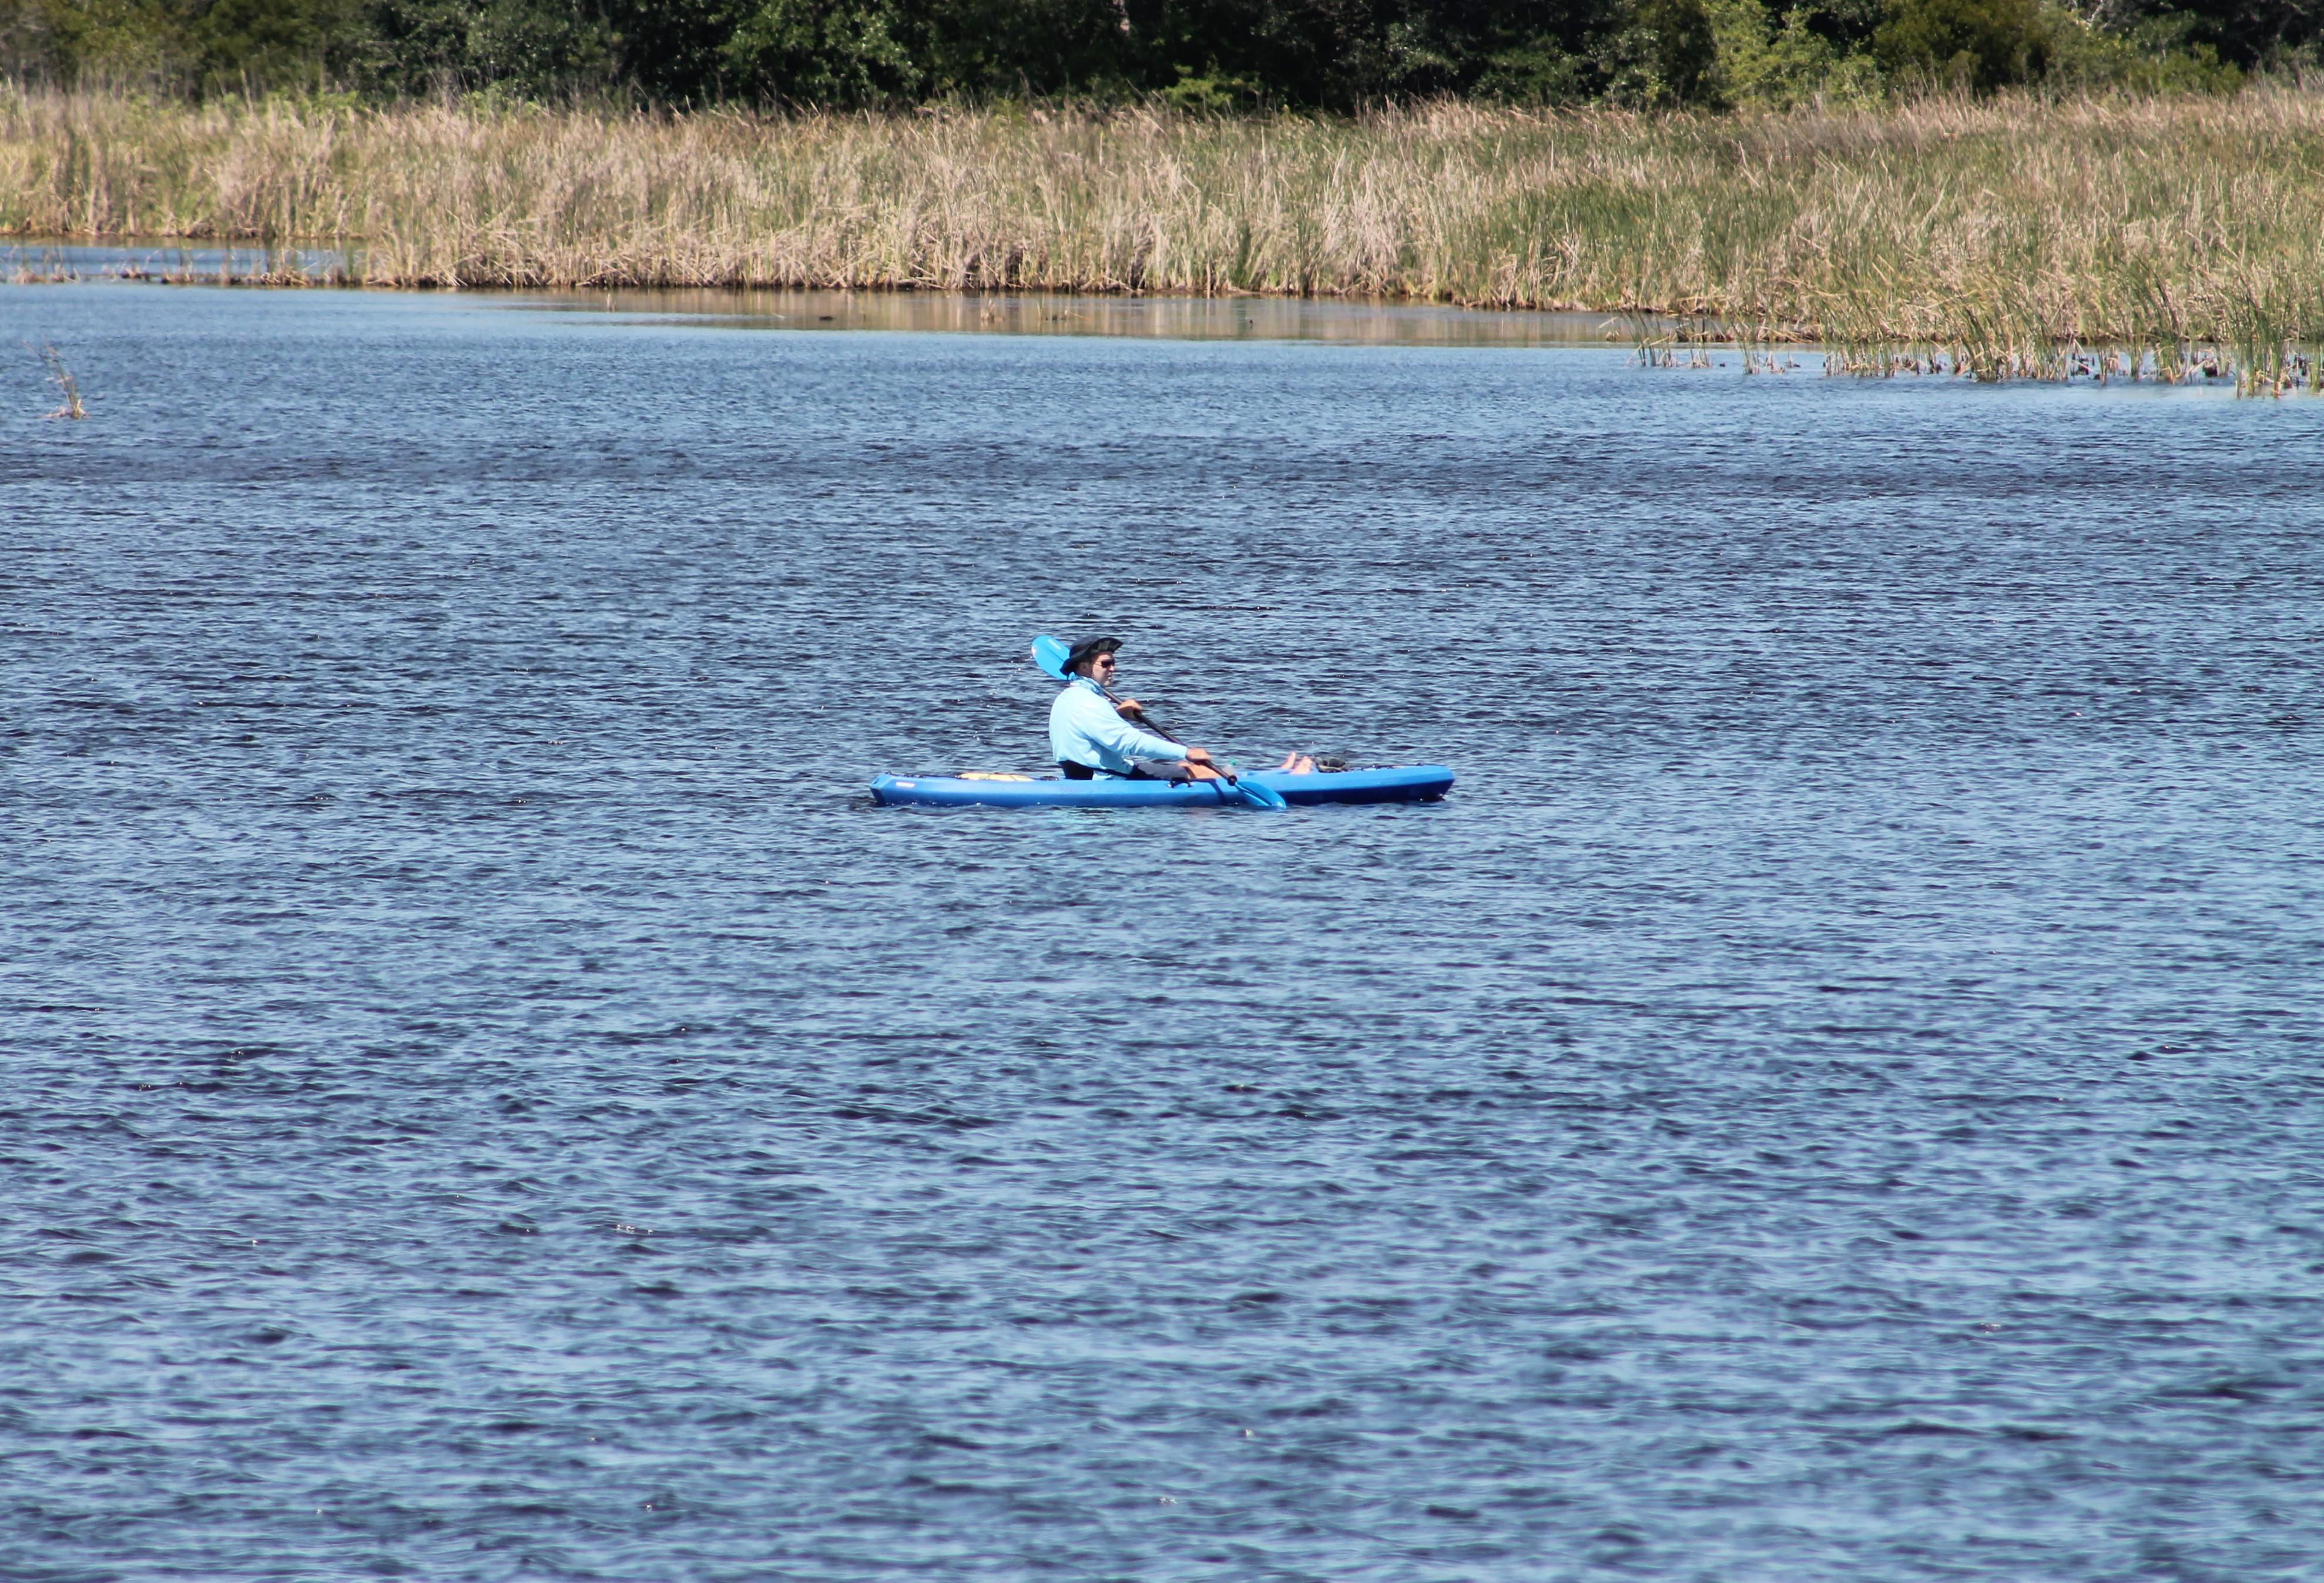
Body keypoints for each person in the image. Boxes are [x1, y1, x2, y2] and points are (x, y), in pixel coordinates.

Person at [1048, 636, 1316, 779]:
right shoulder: (1090, 702)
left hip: (1089, 774)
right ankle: (1289, 780)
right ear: (1083, 667)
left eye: (1114, 663)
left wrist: (1119, 715)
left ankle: (1277, 772)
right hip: (1109, 779)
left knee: (1178, 765)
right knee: (1196, 769)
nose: (1113, 669)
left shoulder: (1071, 698)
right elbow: (1127, 743)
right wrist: (1187, 752)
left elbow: (1091, 731)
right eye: (1106, 664)